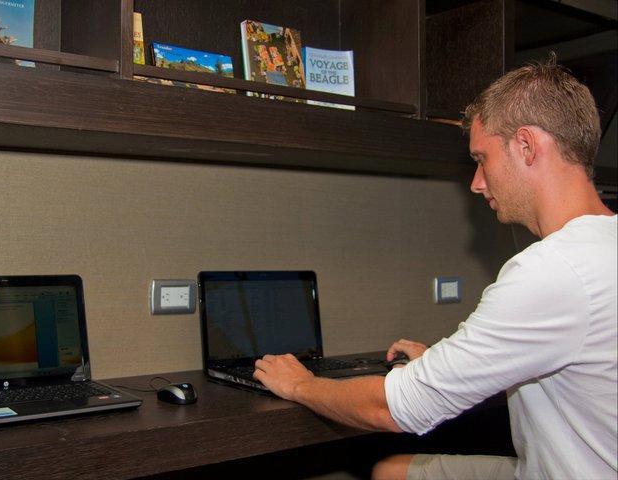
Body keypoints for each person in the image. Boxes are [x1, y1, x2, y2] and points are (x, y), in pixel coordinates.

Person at [253, 58, 617, 480]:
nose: (476, 182)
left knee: (387, 466)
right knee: (393, 471)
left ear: (526, 146)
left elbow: (392, 409)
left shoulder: (552, 270)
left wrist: (299, 383)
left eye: (482, 159)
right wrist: (444, 364)